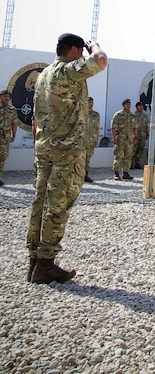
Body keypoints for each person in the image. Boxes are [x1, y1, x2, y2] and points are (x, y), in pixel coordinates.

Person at [26, 34, 107, 284]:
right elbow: (101, 60)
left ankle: (34, 261)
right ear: (72, 50)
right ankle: (46, 265)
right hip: (66, 152)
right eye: (80, 50)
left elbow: (37, 118)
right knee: (58, 206)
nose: (83, 54)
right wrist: (94, 47)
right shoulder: (67, 71)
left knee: (40, 202)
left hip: (45, 147)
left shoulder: (44, 75)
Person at [111, 99, 137, 180]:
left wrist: (135, 137)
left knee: (128, 156)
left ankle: (126, 173)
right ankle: (116, 173)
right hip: (120, 139)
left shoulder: (133, 115)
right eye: (127, 104)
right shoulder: (118, 115)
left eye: (129, 104)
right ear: (123, 105)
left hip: (129, 139)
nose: (128, 106)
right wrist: (114, 138)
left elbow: (135, 128)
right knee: (119, 155)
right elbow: (113, 127)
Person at [0, 89, 18, 186]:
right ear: (0, 97)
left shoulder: (12, 110)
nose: (7, 98)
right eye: (5, 96)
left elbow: (14, 123)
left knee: (2, 158)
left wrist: (14, 135)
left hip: (4, 139)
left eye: (8, 96)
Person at [84, 97, 100, 183]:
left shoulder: (96, 115)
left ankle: (86, 175)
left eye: (92, 102)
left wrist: (96, 138)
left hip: (91, 140)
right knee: (81, 158)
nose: (90, 104)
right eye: (89, 102)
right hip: (82, 140)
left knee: (88, 157)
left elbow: (97, 128)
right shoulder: (81, 113)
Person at [132, 101, 149, 169]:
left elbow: (146, 125)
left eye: (142, 106)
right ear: (136, 107)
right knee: (133, 150)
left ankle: (137, 163)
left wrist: (147, 133)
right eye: (139, 106)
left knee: (140, 150)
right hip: (135, 135)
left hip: (142, 135)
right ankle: (131, 164)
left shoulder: (145, 115)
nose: (141, 107)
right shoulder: (133, 115)